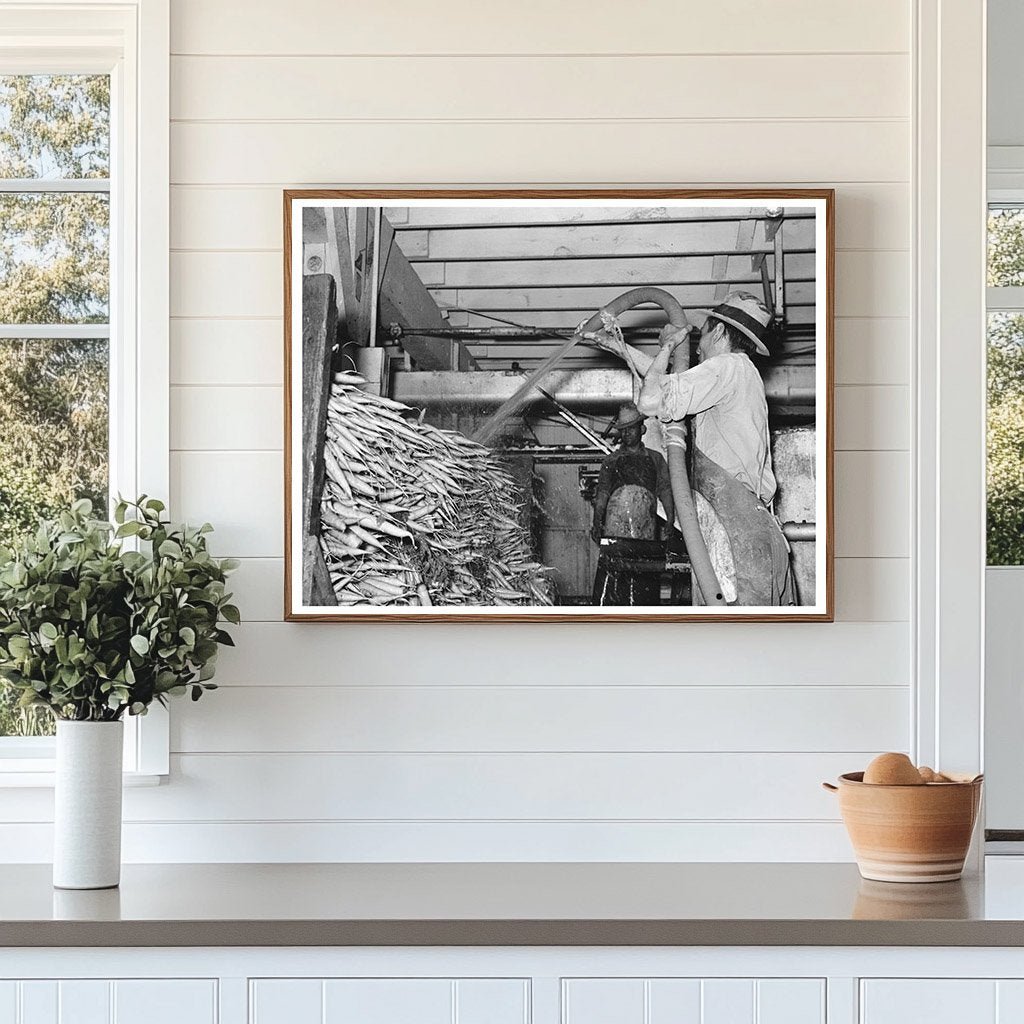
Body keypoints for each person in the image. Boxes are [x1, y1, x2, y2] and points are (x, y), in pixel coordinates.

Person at [637, 291, 795, 606]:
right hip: (759, 531)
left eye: (704, 333)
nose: (698, 344)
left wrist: (669, 346)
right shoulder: (741, 375)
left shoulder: (728, 365)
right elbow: (672, 384)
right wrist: (616, 345)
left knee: (733, 640)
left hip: (736, 534)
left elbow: (651, 399)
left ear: (720, 332)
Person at [591, 402, 675, 606]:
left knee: (643, 586)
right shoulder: (611, 461)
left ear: (642, 429)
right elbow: (602, 493)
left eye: (631, 428)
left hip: (645, 531)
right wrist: (596, 521)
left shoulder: (655, 459)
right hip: (615, 531)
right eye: (623, 430)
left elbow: (665, 489)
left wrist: (670, 521)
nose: (627, 433)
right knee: (613, 585)